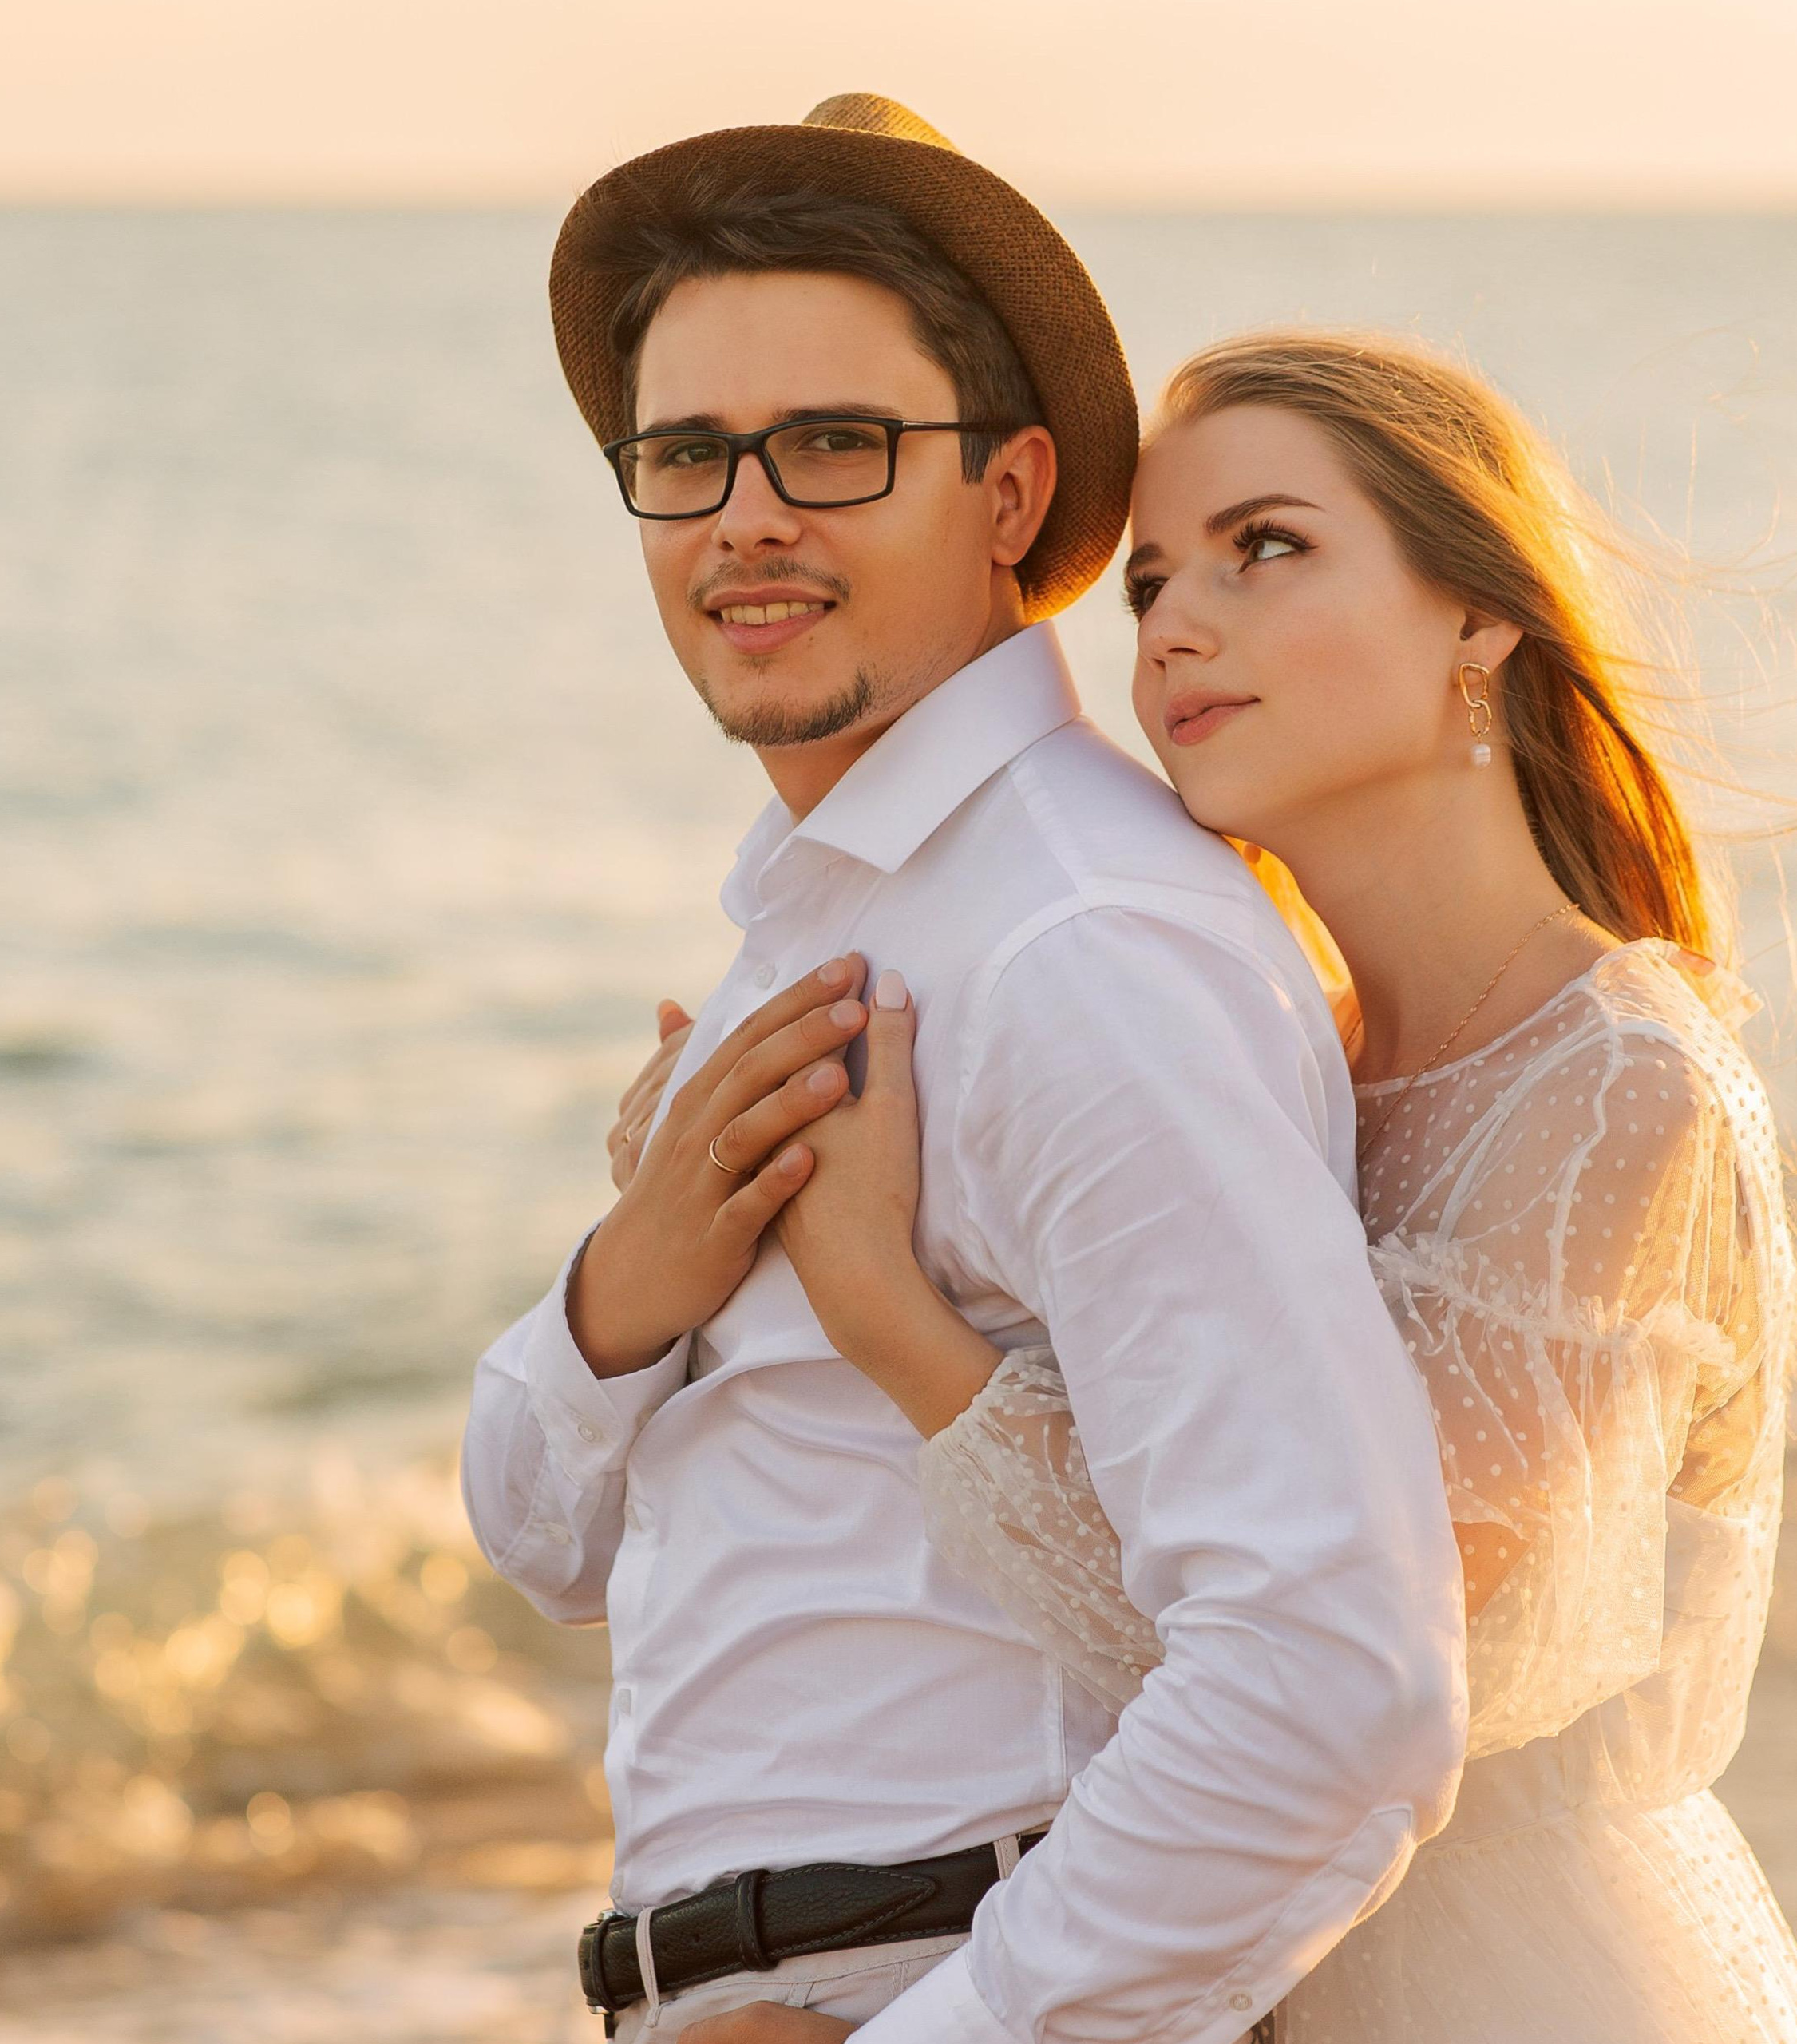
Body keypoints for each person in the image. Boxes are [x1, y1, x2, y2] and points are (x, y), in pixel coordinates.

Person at [613, 328, 1797, 2041]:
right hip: (1211, 1971)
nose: (1170, 625)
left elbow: (1302, 1637)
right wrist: (708, 1198)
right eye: (1149, 578)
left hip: (1504, 1984)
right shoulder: (1268, 1048)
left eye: (1264, 548)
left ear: (1476, 614)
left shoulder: (1619, 1082)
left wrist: (879, 1298)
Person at [462, 93, 1467, 2044]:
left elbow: (1336, 1672)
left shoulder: (1076, 944)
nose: (746, 512)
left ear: (1004, 498)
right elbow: (538, 1541)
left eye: (835, 443)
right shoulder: (823, 924)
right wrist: (625, 1285)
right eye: (685, 454)